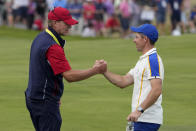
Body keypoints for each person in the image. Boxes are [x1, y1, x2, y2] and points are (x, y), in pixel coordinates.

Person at [25, 7, 106, 131]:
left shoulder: (41, 37)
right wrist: (95, 70)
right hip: (44, 101)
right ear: (55, 22)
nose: (70, 26)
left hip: (35, 97)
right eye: (66, 23)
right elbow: (69, 76)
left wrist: (53, 95)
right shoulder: (52, 46)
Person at [102, 24, 164, 131]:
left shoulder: (152, 60)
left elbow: (157, 90)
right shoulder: (143, 60)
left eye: (136, 37)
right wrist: (104, 71)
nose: (133, 40)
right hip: (140, 119)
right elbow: (124, 81)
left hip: (146, 119)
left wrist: (139, 110)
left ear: (145, 39)